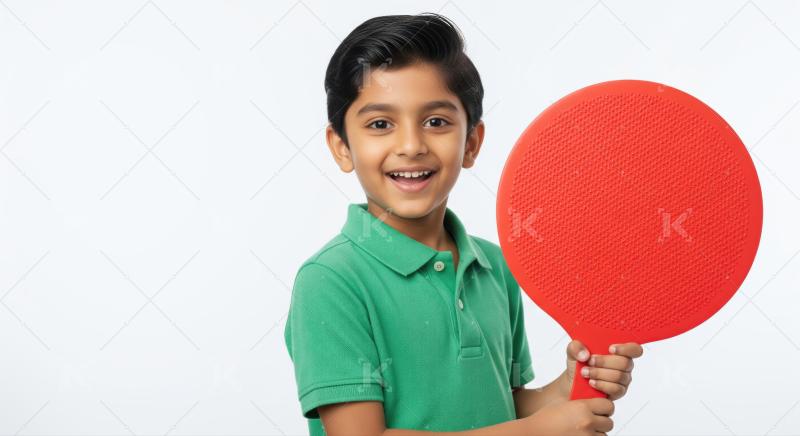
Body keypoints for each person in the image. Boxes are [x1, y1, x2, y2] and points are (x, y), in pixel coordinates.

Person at [283, 12, 644, 436]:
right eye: (380, 124)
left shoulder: (493, 266)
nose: (411, 145)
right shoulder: (330, 281)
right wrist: (538, 432)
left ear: (471, 142)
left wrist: (566, 389)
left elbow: (504, 404)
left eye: (436, 122)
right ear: (341, 147)